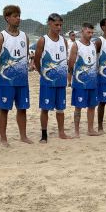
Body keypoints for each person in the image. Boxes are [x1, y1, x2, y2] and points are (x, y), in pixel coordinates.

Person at [0, 5, 33, 146]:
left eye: (19, 16)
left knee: (22, 108)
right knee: (4, 109)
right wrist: (3, 72)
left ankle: (23, 136)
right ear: (7, 18)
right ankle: (3, 138)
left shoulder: (24, 36)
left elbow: (25, 55)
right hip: (6, 81)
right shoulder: (0, 37)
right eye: (15, 16)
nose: (18, 19)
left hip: (22, 80)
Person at [34, 13, 72, 143]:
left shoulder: (64, 41)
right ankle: (44, 135)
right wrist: (43, 74)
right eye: (56, 24)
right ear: (49, 23)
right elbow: (37, 60)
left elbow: (64, 60)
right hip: (47, 81)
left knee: (60, 109)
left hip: (61, 81)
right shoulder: (43, 40)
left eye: (61, 25)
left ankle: (61, 132)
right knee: (45, 108)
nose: (59, 27)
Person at [69, 23, 100, 137]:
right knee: (78, 107)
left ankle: (90, 129)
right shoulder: (76, 45)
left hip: (92, 81)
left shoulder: (93, 45)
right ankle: (76, 131)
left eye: (92, 33)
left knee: (92, 106)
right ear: (83, 31)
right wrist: (73, 79)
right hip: (80, 82)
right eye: (89, 32)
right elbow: (71, 64)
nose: (91, 34)